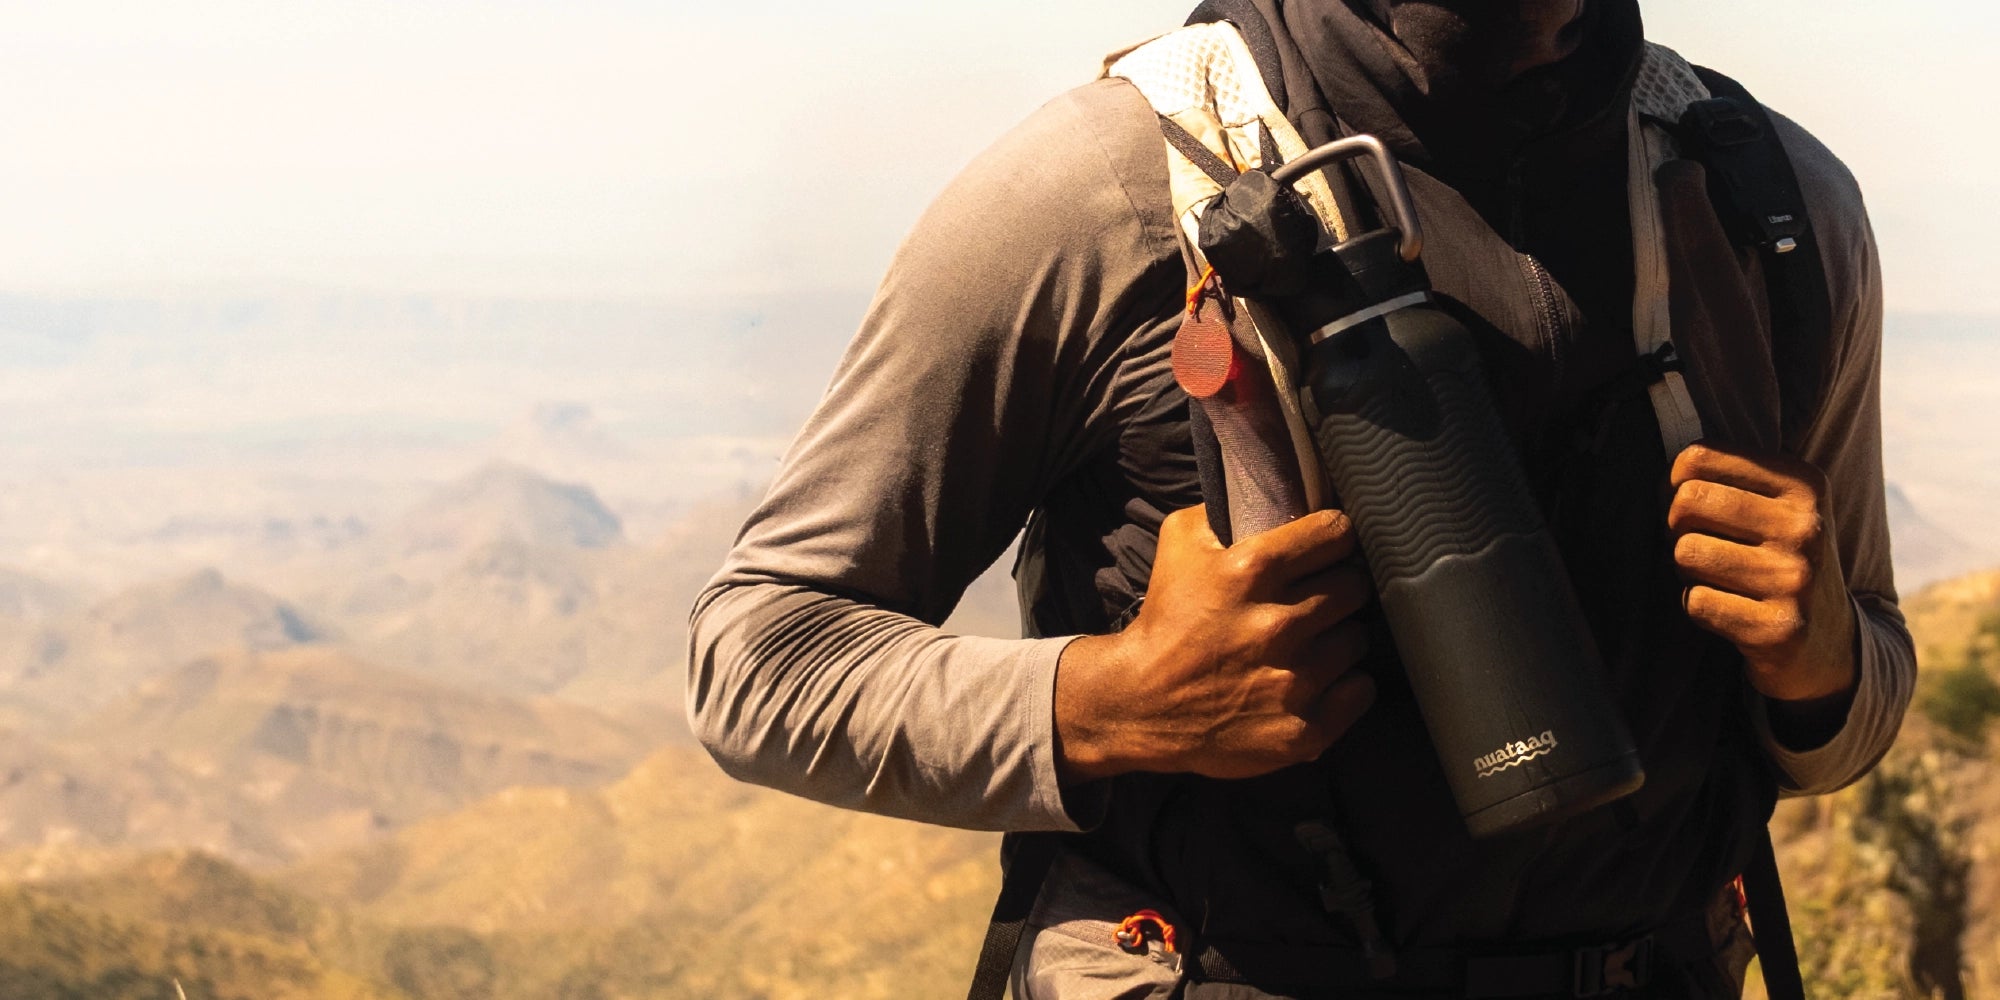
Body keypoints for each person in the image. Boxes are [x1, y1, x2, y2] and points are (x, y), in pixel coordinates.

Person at [687, 1, 1915, 996]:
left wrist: (1818, 670)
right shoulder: (1103, 189)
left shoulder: (1764, 206)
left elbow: (1857, 695)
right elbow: (756, 654)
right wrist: (1105, 703)